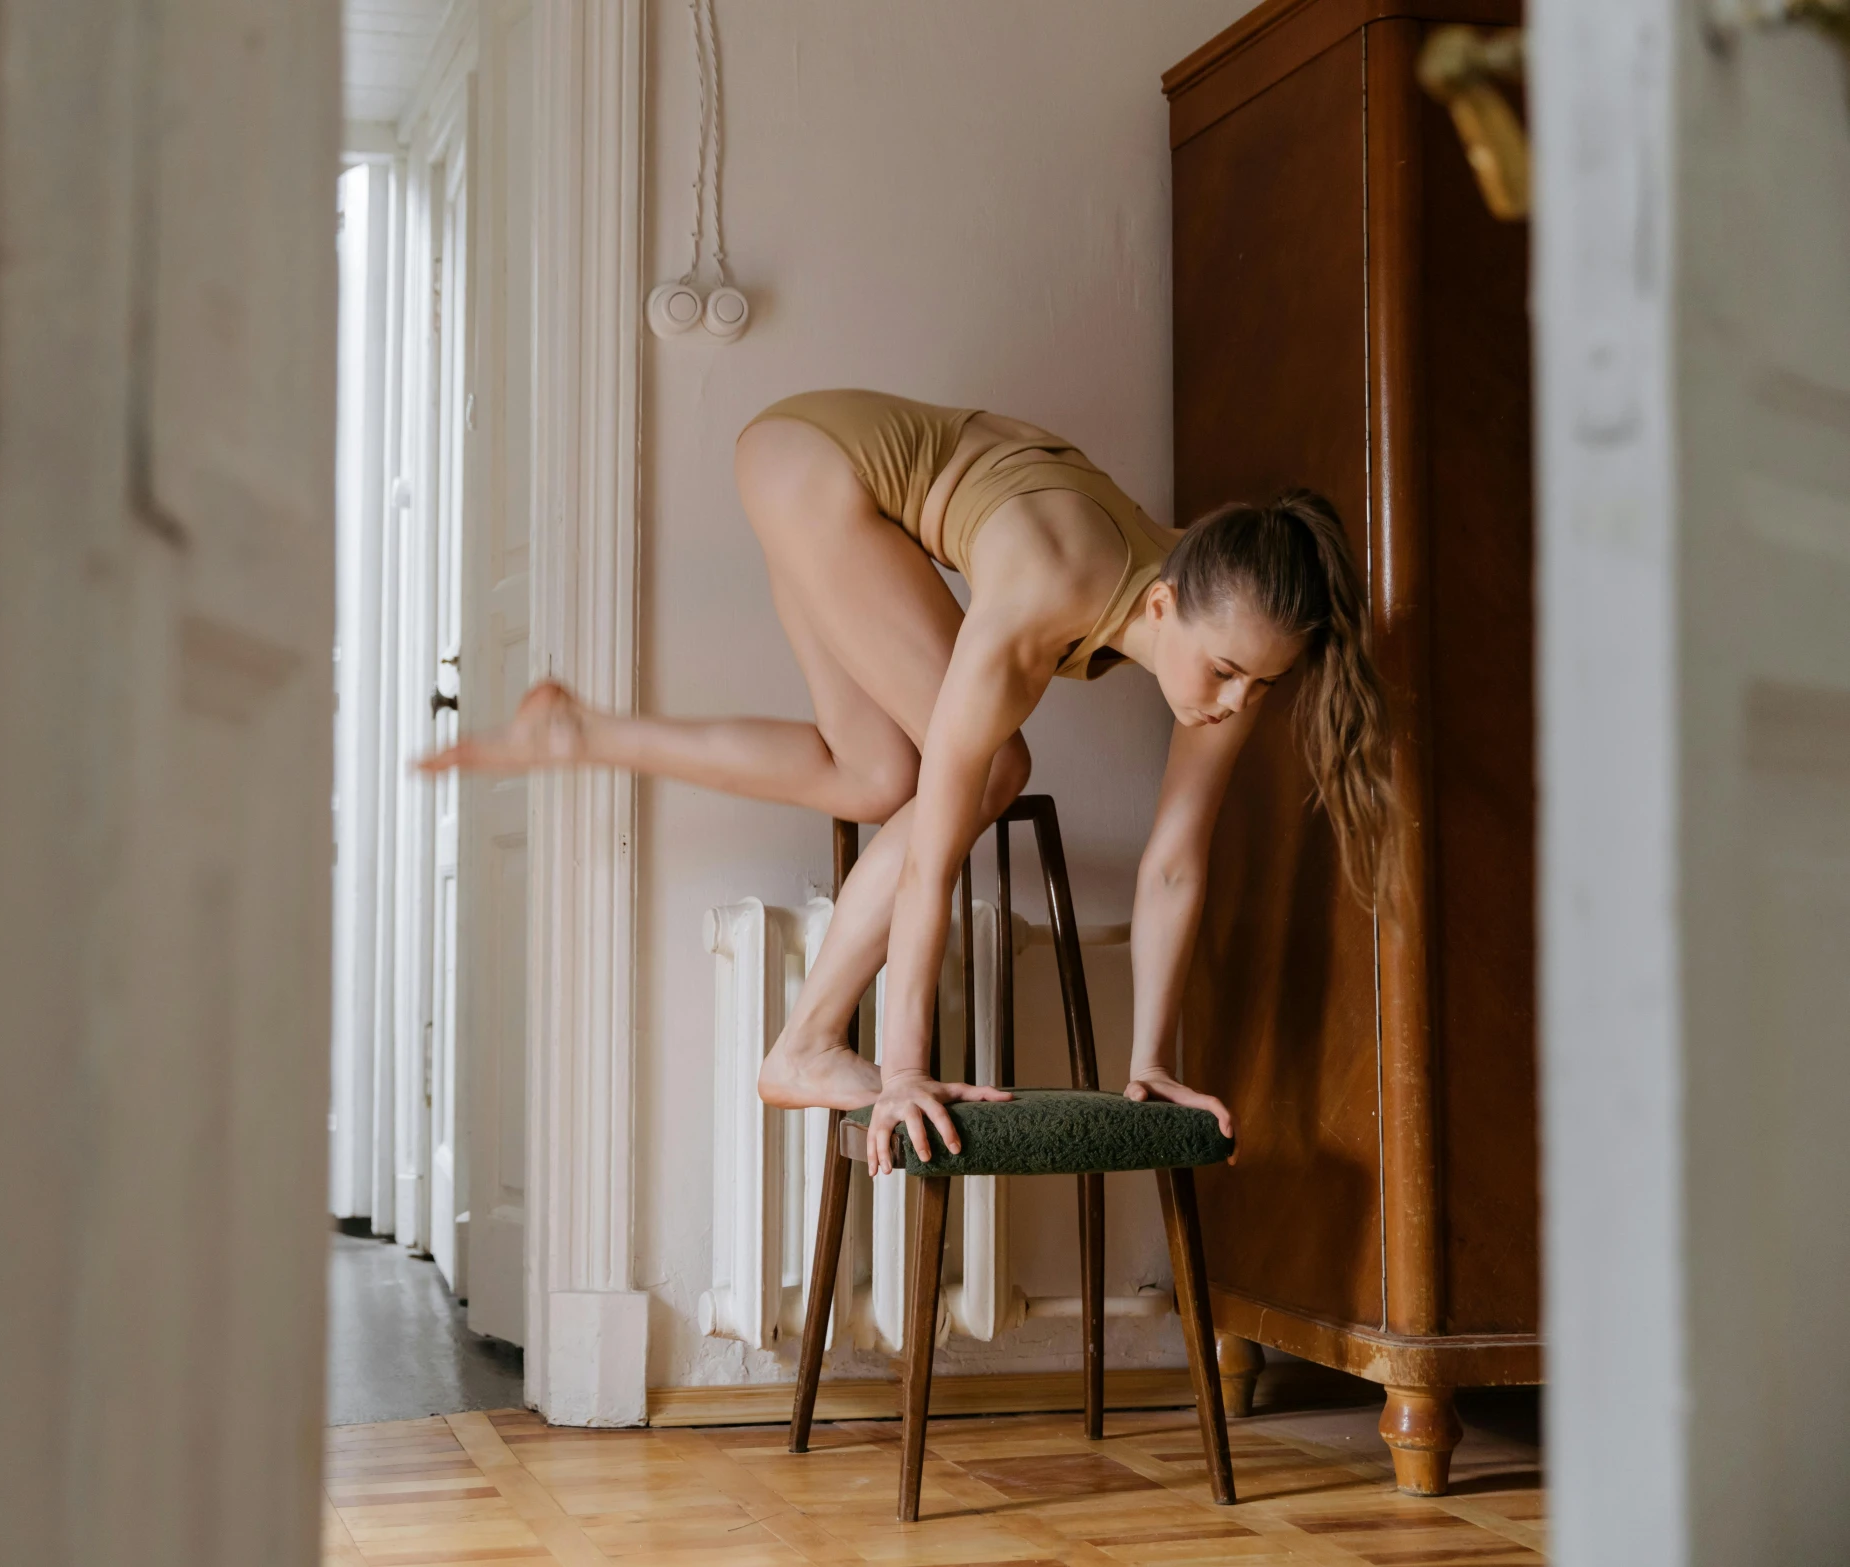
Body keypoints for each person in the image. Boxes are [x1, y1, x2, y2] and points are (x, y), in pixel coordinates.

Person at [419, 390, 1391, 1176]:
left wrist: (1149, 1063)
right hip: (816, 466)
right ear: (1160, 602)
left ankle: (583, 731)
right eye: (1223, 671)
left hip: (812, 463)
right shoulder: (1044, 591)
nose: (1233, 701)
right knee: (990, 769)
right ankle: (802, 1043)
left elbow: (1174, 865)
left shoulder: (1227, 618)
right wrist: (904, 1070)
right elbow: (932, 862)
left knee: (877, 772)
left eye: (1259, 685)